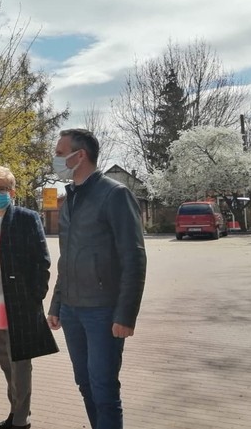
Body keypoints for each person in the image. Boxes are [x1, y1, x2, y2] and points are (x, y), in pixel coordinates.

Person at [46, 129, 146, 429]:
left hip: (103, 311)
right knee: (85, 383)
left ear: (81, 155)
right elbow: (67, 258)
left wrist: (125, 315)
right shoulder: (70, 199)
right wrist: (57, 303)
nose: (56, 159)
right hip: (72, 310)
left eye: (60, 153)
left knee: (104, 388)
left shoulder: (115, 195)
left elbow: (134, 257)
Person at [0, 166, 59, 429]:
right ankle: (15, 410)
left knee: (20, 362)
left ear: (13, 192)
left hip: (18, 304)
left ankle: (20, 418)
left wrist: (34, 297)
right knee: (5, 361)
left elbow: (41, 261)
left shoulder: (26, 219)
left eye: (2, 189)